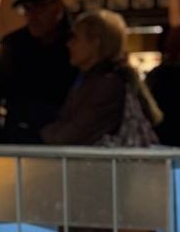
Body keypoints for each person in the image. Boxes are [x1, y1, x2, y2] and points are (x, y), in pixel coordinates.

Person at [0, 0, 76, 143]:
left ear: (58, 6)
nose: (33, 15)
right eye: (27, 9)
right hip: (17, 137)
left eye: (40, 8)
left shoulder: (76, 43)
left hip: (64, 140)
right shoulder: (12, 45)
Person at [40, 9, 161, 147]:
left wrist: (40, 131)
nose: (69, 44)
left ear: (95, 43)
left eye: (76, 38)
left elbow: (71, 134)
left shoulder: (108, 85)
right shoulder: (89, 79)